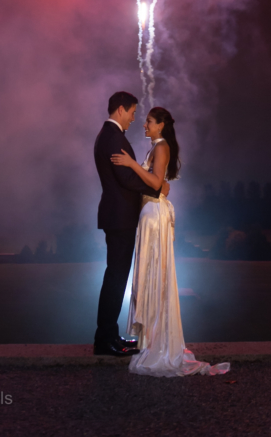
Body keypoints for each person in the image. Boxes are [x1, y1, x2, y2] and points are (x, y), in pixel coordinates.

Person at [111, 106, 230, 377]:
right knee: (150, 276)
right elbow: (158, 183)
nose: (144, 125)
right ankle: (154, 340)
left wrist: (130, 164)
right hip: (150, 212)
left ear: (161, 125)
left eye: (149, 122)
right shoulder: (156, 147)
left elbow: (155, 182)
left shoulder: (161, 147)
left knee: (155, 275)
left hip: (154, 214)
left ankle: (160, 344)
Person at [93, 91, 170, 356]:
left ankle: (110, 335)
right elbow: (126, 178)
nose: (135, 118)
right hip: (119, 217)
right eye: (133, 112)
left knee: (116, 276)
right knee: (115, 278)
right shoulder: (114, 137)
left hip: (117, 216)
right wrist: (158, 189)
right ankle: (105, 341)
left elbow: (126, 175)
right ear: (121, 110)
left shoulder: (110, 136)